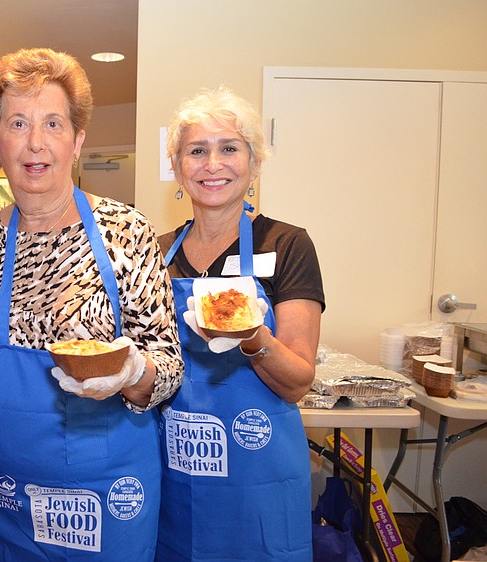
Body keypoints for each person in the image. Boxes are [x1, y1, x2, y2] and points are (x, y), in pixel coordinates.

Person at [0, 47, 184, 561]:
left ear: (78, 140)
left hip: (106, 502)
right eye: (17, 123)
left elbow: (169, 363)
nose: (35, 143)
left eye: (54, 124)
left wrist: (132, 374)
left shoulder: (126, 232)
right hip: (3, 498)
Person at [156, 86, 325, 561]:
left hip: (256, 467)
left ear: (254, 163)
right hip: (174, 462)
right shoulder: (154, 250)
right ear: (177, 166)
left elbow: (297, 382)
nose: (213, 164)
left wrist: (252, 336)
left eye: (229, 148)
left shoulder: (288, 244)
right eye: (196, 151)